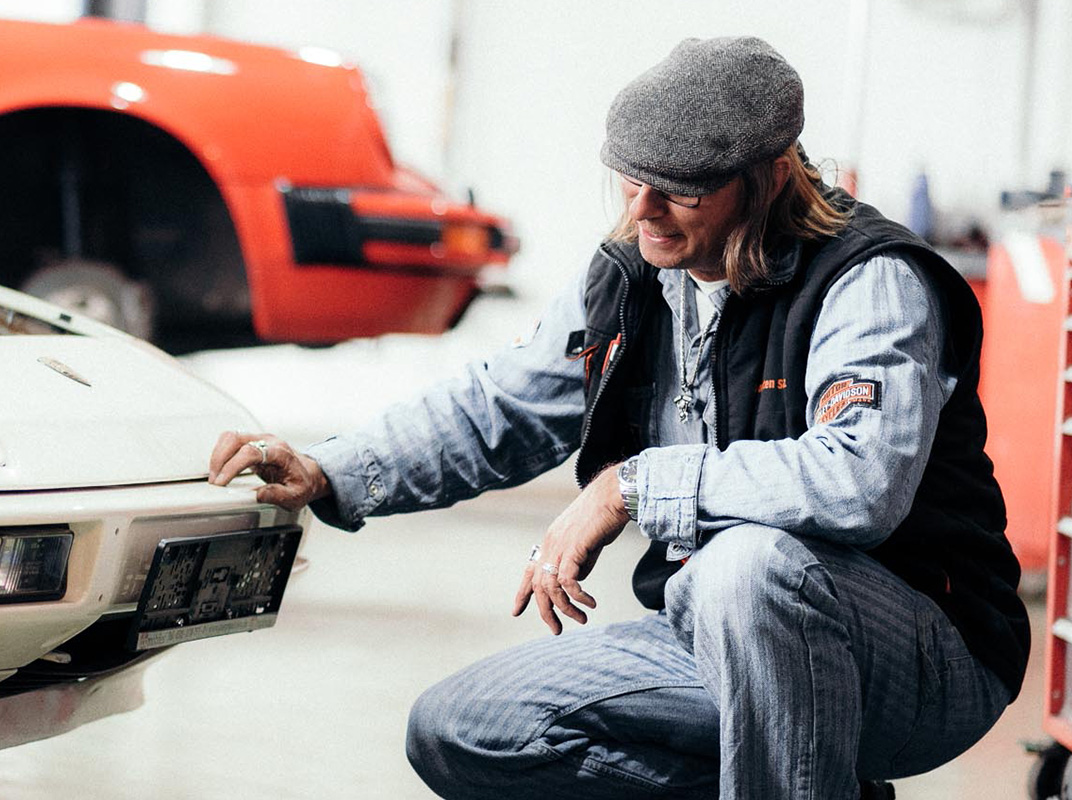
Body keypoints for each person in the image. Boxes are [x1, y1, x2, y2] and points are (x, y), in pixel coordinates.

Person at [208, 36, 1026, 799]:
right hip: (718, 634)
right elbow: (504, 403)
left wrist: (629, 486)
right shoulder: (634, 278)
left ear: (772, 178)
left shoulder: (866, 281)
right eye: (631, 180)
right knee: (464, 728)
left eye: (680, 188)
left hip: (922, 653)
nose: (644, 210)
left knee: (748, 567)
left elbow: (856, 483)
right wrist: (330, 468)